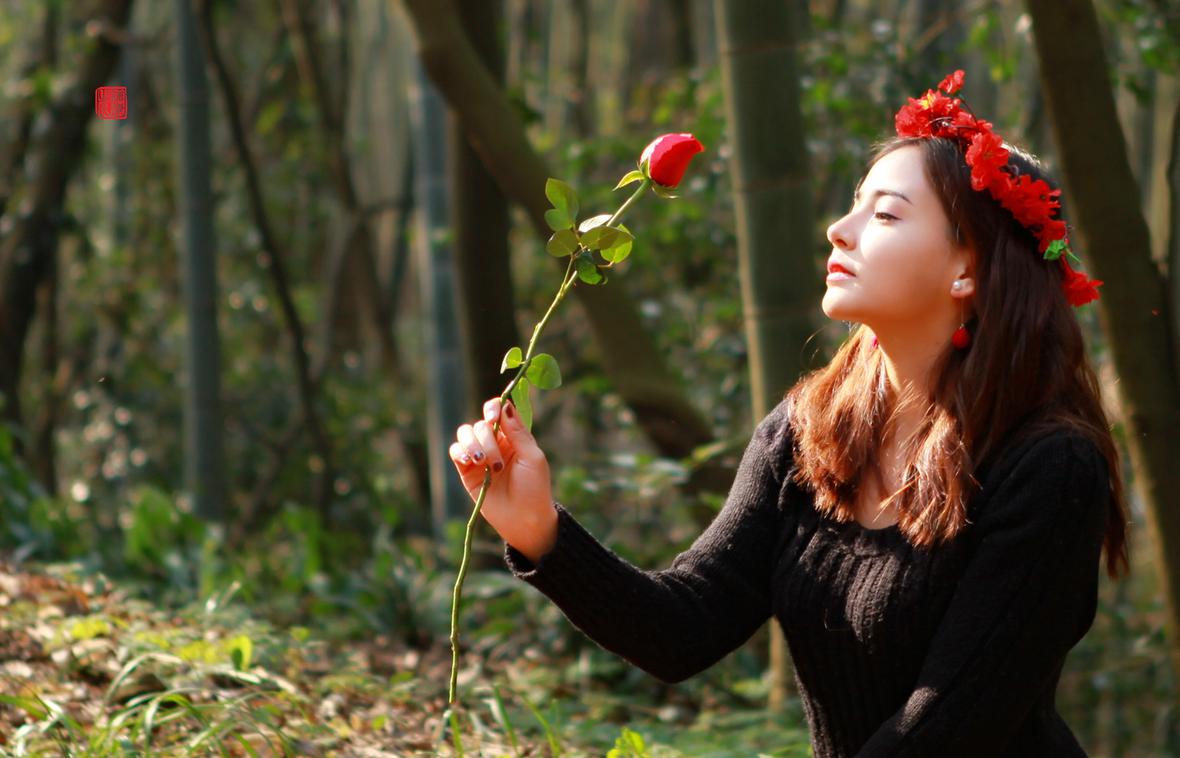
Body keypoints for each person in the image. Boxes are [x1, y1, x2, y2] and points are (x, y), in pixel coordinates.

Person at [448, 71, 1130, 757]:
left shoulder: (1050, 467)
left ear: (968, 271)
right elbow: (684, 628)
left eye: (886, 216)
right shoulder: (810, 431)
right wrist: (539, 530)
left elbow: (947, 728)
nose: (838, 230)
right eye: (855, 206)